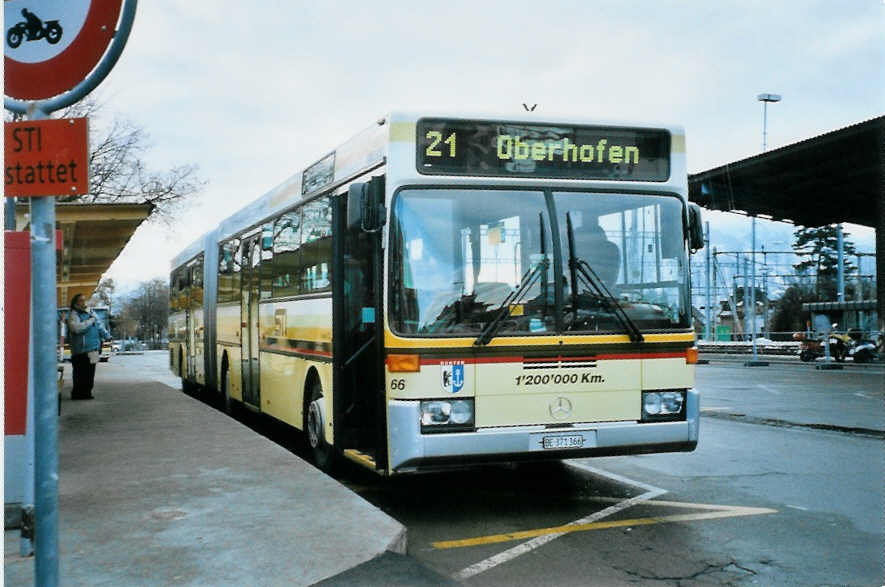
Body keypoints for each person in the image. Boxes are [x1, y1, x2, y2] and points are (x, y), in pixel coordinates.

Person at [66, 294, 111, 400]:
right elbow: (76, 328)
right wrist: (90, 321)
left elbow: (99, 325)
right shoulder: (74, 314)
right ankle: (78, 393)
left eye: (84, 300)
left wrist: (107, 335)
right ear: (75, 302)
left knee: (90, 372)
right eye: (81, 300)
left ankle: (87, 392)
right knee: (80, 373)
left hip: (94, 348)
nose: (84, 302)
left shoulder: (91, 312)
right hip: (80, 350)